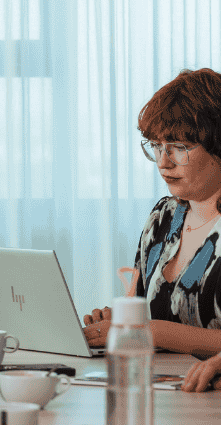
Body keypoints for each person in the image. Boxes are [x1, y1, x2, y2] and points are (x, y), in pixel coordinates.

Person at [82, 68, 221, 390]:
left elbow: (153, 327)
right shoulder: (164, 215)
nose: (163, 161)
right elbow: (139, 306)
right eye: (156, 145)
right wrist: (117, 323)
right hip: (163, 387)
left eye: (179, 146)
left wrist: (152, 330)